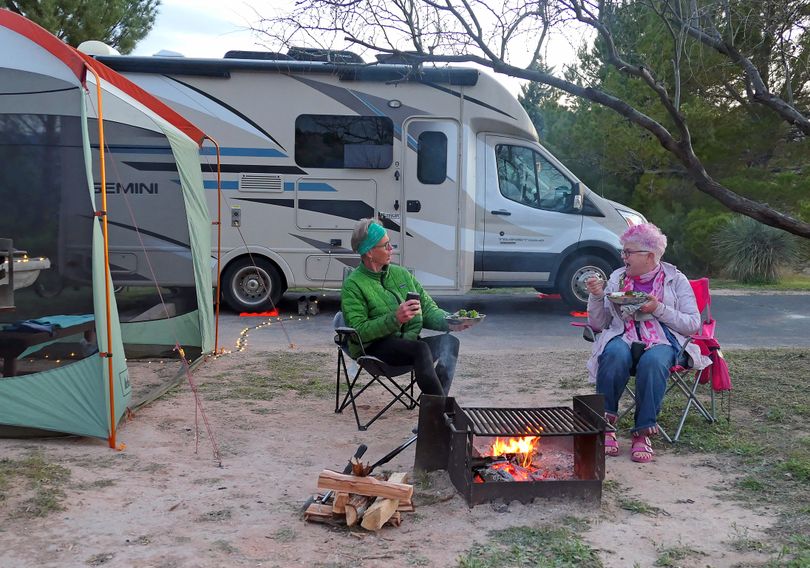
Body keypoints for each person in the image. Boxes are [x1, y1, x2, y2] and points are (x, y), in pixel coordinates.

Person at [584, 223, 710, 463]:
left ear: (649, 256)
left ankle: (642, 432)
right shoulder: (617, 278)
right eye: (624, 252)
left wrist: (658, 308)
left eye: (628, 252)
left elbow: (693, 323)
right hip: (624, 335)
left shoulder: (675, 280)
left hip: (665, 341)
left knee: (653, 361)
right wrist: (597, 295)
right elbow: (600, 323)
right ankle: (606, 425)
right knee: (614, 353)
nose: (623, 257)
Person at [341, 218, 471, 396]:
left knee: (449, 342)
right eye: (385, 245)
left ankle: (435, 404)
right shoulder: (353, 285)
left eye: (390, 244)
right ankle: (438, 411)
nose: (391, 249)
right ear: (370, 252)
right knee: (420, 349)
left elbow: (427, 309)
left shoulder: (401, 275)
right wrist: (396, 319)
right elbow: (358, 331)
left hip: (407, 344)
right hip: (374, 349)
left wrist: (450, 321)